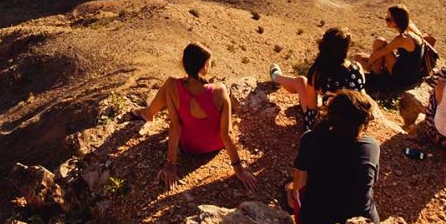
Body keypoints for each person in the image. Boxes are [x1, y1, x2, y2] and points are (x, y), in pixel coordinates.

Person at [157, 43, 258, 193]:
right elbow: (227, 134)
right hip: (215, 146)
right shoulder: (220, 91)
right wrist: (239, 169)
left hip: (189, 147)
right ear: (204, 67)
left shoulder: (172, 86)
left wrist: (170, 164)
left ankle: (147, 113)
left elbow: (175, 126)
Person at [288, 89, 380, 224]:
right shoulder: (370, 147)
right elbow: (370, 183)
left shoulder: (311, 139)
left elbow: (299, 187)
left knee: (291, 189)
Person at [269, 28, 366, 128]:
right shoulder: (357, 68)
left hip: (329, 127)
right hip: (355, 127)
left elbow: (312, 108)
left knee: (301, 81)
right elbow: (361, 97)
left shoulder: (319, 72)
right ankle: (276, 77)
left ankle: (276, 76)